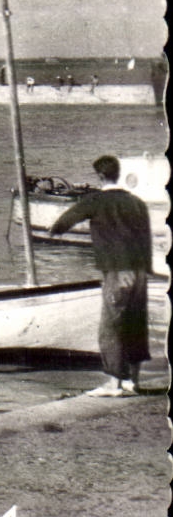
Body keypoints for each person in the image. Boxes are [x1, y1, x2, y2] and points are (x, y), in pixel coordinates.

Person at [50, 155, 154, 396]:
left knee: (111, 326)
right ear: (118, 174)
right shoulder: (137, 202)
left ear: (99, 176)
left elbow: (64, 221)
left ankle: (114, 384)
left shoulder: (95, 200)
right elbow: (146, 238)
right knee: (136, 324)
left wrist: (54, 230)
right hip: (140, 270)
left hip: (117, 270)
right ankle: (133, 382)